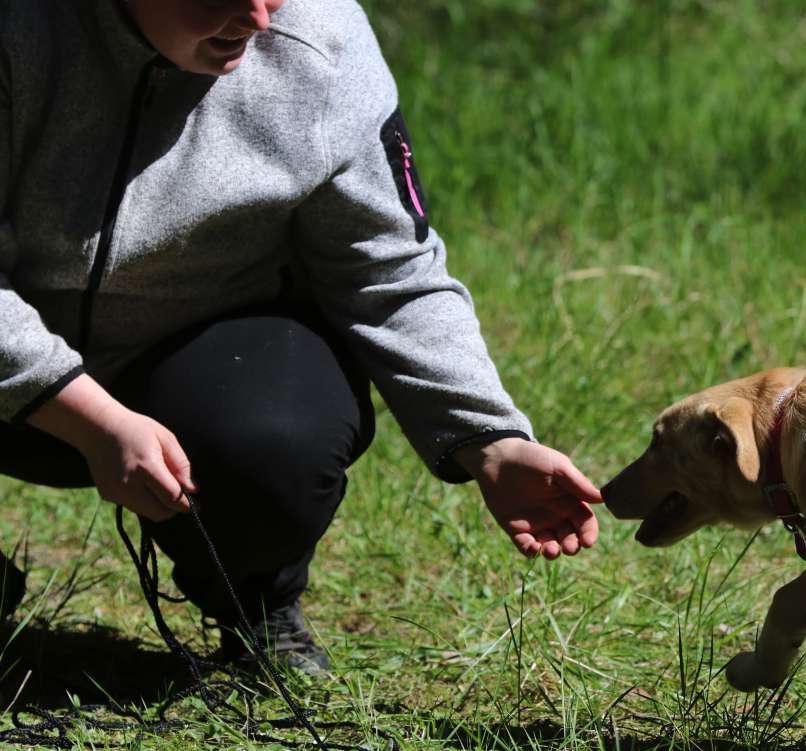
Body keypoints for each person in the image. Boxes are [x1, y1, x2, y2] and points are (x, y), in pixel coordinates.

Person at [0, 0, 602, 674]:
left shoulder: (323, 37)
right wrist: (88, 417)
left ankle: (256, 599)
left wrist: (490, 438)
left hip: (192, 356)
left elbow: (388, 270)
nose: (259, 19)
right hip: (18, 364)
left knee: (277, 434)